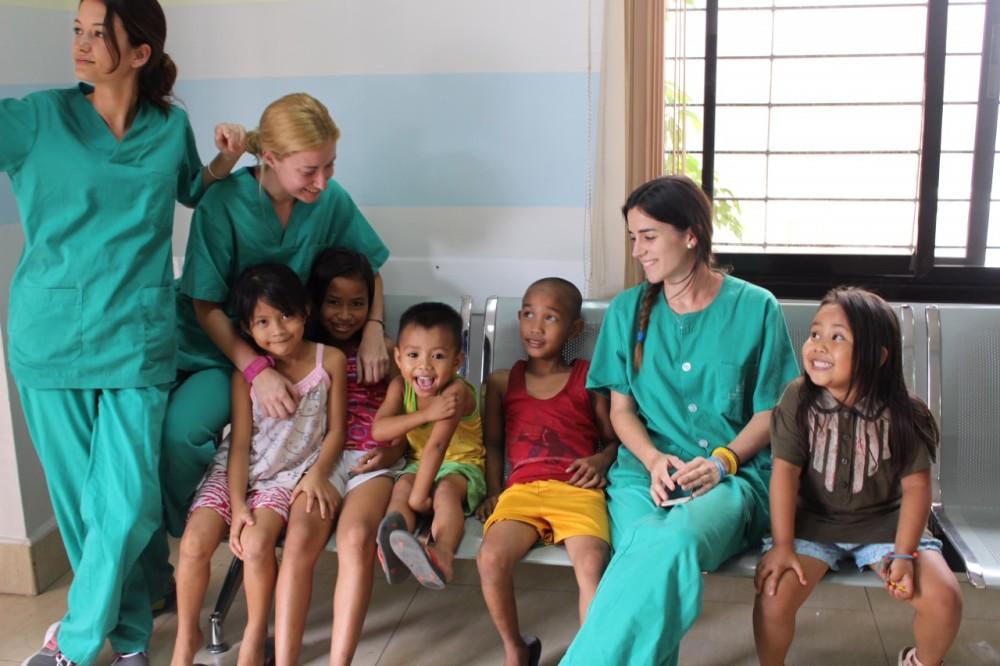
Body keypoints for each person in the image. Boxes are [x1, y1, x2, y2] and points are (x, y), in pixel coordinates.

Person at [1, 1, 245, 663]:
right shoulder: (35, 118)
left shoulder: (169, 126)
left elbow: (190, 187)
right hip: (50, 340)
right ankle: (133, 638)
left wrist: (225, 161)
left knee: (127, 497)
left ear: (140, 53)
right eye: (77, 31)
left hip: (136, 336)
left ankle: (75, 642)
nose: (80, 44)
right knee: (84, 506)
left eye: (97, 34)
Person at [147, 91, 391, 611]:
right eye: (310, 170)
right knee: (177, 437)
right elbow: (205, 304)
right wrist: (255, 368)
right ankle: (199, 533)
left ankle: (249, 517)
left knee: (247, 435)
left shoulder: (330, 200)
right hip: (215, 349)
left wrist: (373, 325)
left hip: (285, 352)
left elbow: (369, 266)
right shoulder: (223, 203)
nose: (323, 180)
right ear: (272, 159)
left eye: (330, 165)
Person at [560, 175, 800, 665]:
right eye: (633, 238)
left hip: (732, 478)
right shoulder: (627, 311)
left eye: (648, 237)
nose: (638, 251)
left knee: (666, 544)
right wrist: (652, 460)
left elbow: (771, 412)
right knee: (652, 565)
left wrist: (721, 462)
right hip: (642, 476)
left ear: (691, 235)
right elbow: (622, 410)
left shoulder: (756, 307)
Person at [753, 287, 963, 666]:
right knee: (773, 595)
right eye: (815, 333)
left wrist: (904, 553)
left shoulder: (905, 413)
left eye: (837, 338)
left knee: (945, 598)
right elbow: (784, 474)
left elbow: (917, 488)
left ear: (877, 357)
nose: (818, 345)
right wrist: (782, 545)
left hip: (888, 527)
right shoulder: (798, 399)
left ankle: (921, 661)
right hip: (813, 525)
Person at [171, 264, 346, 666]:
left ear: (305, 311)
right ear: (247, 328)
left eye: (286, 315)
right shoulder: (246, 376)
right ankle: (185, 638)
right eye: (263, 322)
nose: (278, 330)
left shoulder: (329, 360)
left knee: (255, 544)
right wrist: (237, 505)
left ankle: (254, 634)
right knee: (193, 543)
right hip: (236, 471)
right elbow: (239, 444)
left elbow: (337, 430)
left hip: (286, 476)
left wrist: (318, 473)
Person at [476, 277, 619, 666]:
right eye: (527, 314)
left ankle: (589, 658)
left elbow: (614, 441)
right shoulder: (503, 381)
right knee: (490, 558)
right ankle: (516, 650)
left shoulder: (588, 379)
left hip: (577, 491)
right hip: (522, 491)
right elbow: (493, 444)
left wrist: (601, 461)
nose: (535, 327)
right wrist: (493, 490)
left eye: (550, 318)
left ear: (574, 330)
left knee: (591, 566)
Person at [274, 247, 406, 666]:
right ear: (315, 302)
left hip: (372, 462)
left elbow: (408, 416)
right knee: (299, 542)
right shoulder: (302, 350)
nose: (345, 315)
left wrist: (392, 451)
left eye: (357, 304)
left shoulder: (387, 351)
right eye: (334, 302)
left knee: (356, 539)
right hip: (319, 463)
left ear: (371, 306)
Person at [373, 303, 485, 589]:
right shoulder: (400, 387)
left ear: (457, 361)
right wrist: (425, 415)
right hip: (417, 464)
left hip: (462, 466)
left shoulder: (455, 392)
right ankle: (394, 548)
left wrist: (420, 497)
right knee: (401, 489)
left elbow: (437, 445)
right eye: (413, 355)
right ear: (398, 358)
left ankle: (443, 553)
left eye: (438, 356)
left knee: (445, 493)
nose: (424, 366)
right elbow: (379, 429)